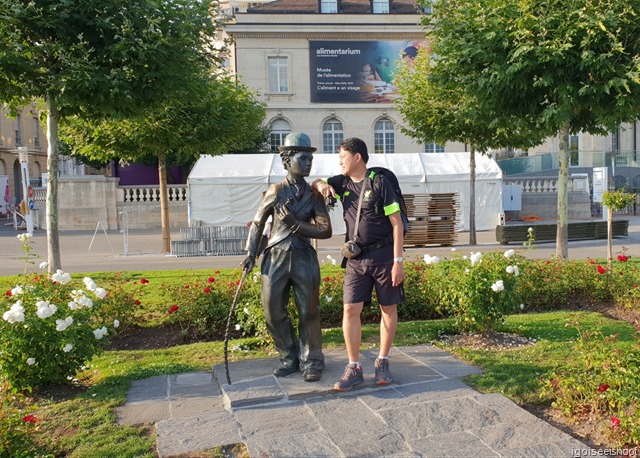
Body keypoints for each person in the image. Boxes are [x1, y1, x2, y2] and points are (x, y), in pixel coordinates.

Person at [312, 137, 405, 391]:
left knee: (388, 309)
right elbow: (314, 182)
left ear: (357, 157)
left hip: (385, 257)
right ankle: (354, 367)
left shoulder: (379, 182)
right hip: (356, 259)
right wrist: (322, 186)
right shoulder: (341, 183)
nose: (340, 161)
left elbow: (397, 224)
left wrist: (398, 262)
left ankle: (382, 362)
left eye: (343, 156)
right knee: (350, 310)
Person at [242, 132, 332, 383]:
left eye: (310, 159)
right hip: (276, 257)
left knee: (309, 312)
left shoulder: (314, 196)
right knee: (273, 311)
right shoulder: (276, 191)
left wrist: (296, 225)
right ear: (287, 160)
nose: (308, 163)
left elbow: (325, 230)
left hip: (304, 257)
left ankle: (312, 360)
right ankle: (289, 356)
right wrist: (251, 254)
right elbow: (258, 222)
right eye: (303, 158)